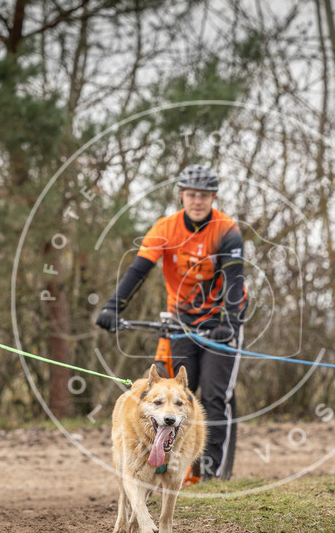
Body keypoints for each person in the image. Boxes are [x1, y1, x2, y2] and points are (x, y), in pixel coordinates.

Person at [96, 165, 247, 481]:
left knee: (215, 395)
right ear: (181, 196)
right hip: (181, 320)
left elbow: (235, 279)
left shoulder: (226, 229)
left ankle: (214, 475)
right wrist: (113, 306)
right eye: (191, 194)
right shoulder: (165, 228)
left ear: (213, 197)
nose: (197, 201)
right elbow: (138, 270)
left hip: (221, 319)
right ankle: (177, 468)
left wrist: (229, 321)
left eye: (204, 195)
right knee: (178, 397)